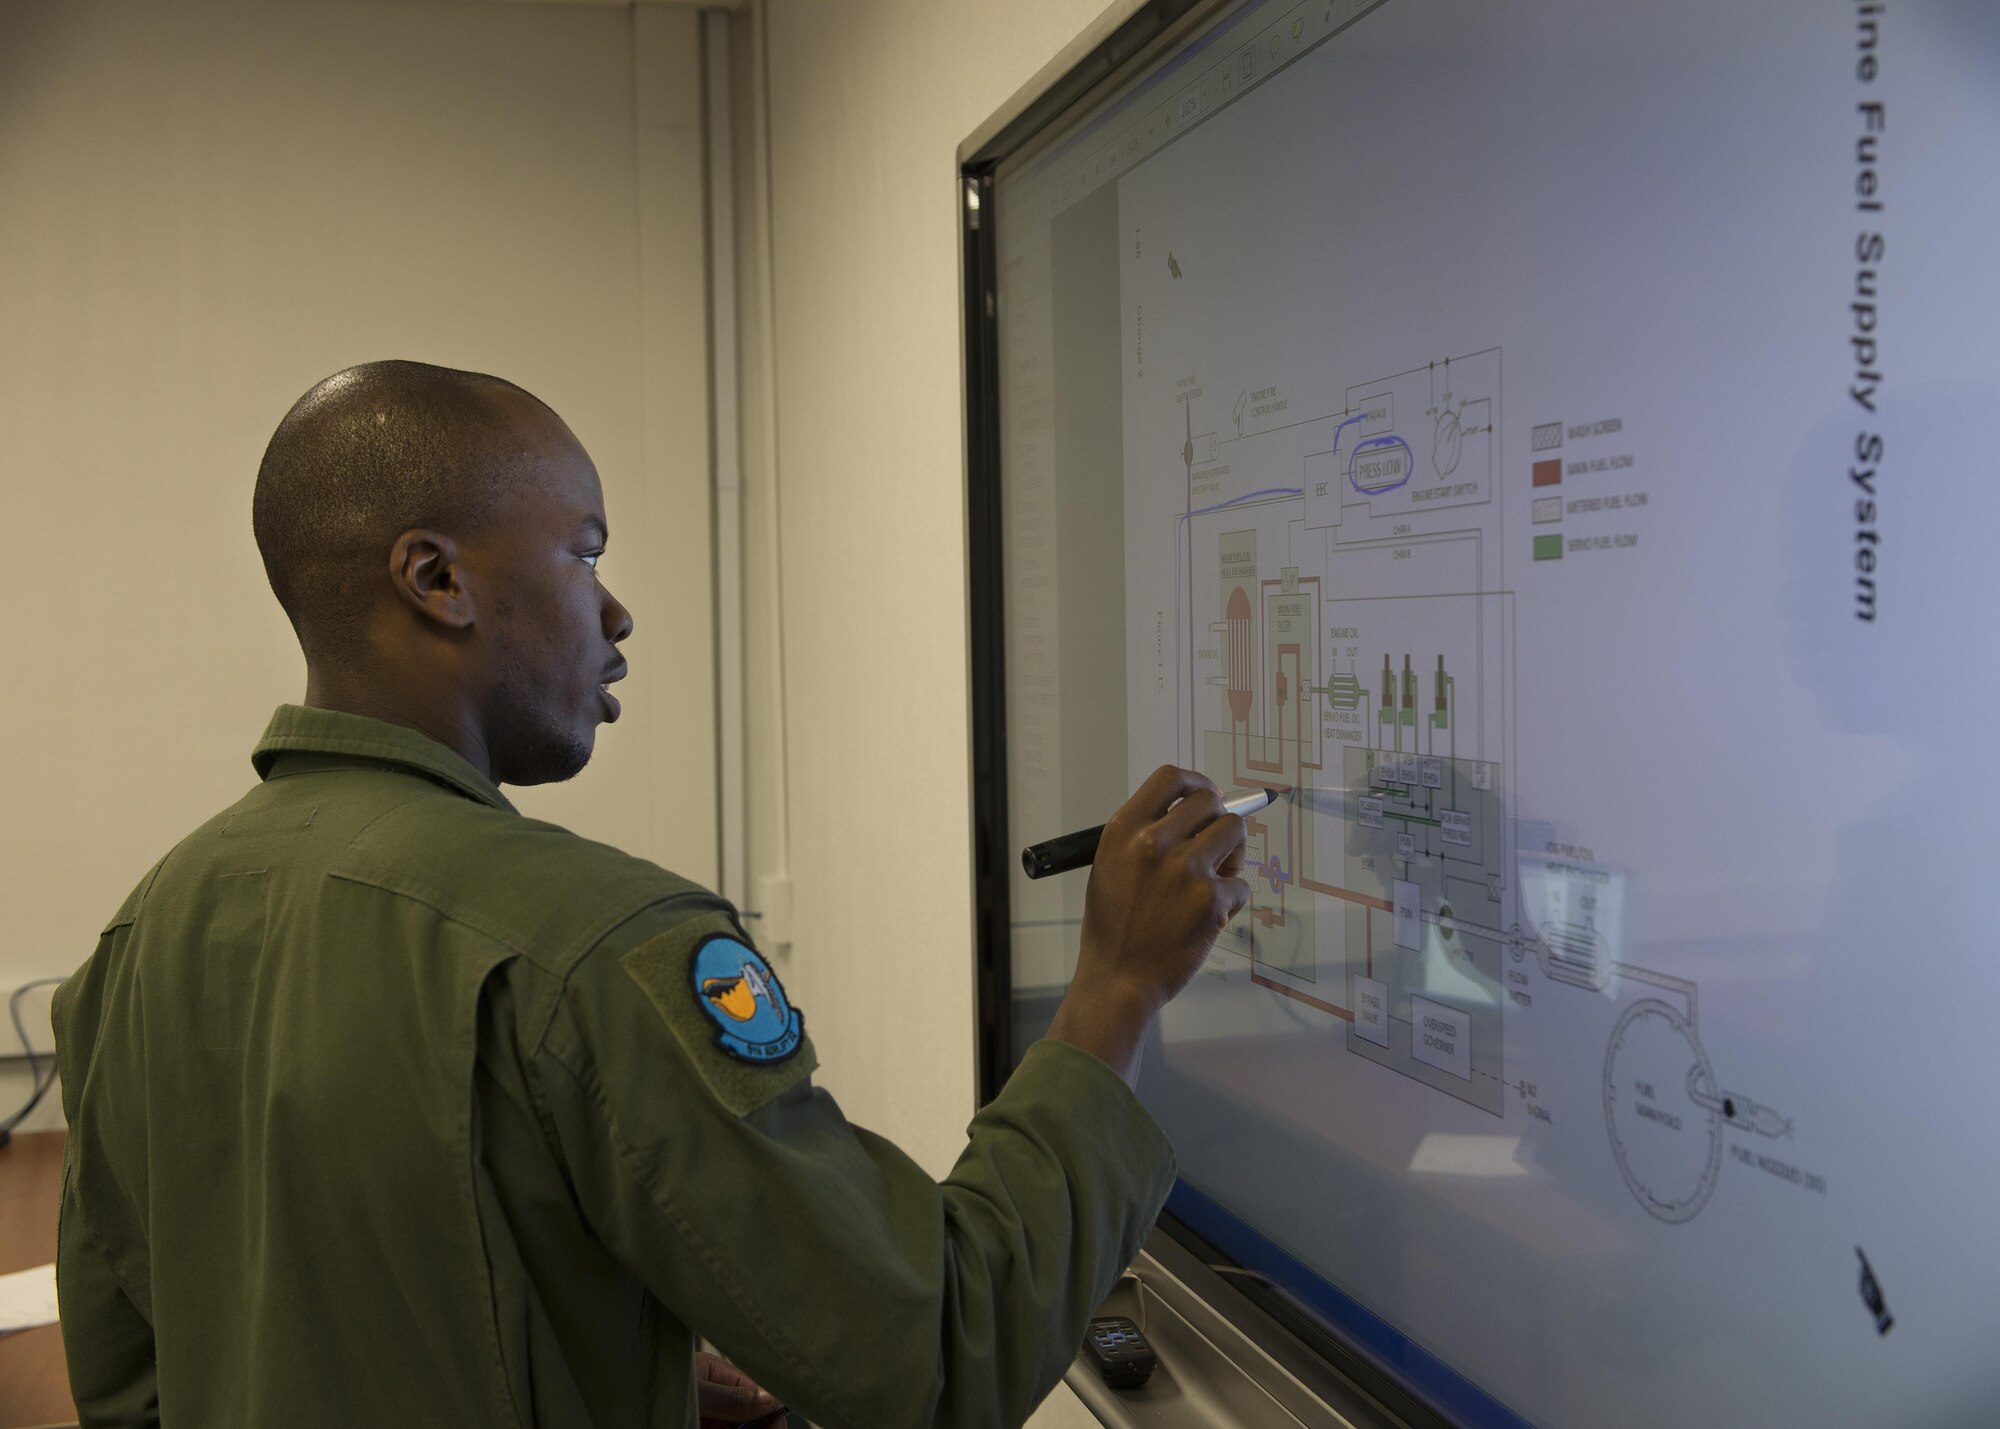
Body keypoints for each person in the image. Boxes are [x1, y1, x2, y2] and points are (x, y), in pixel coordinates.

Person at [53, 360, 1251, 1428]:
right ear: (435, 579)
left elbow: (135, 1387)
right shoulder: (594, 946)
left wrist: (615, 1376)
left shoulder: (141, 936)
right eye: (584, 551)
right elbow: (932, 1356)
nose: (616, 613)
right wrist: (1117, 987)